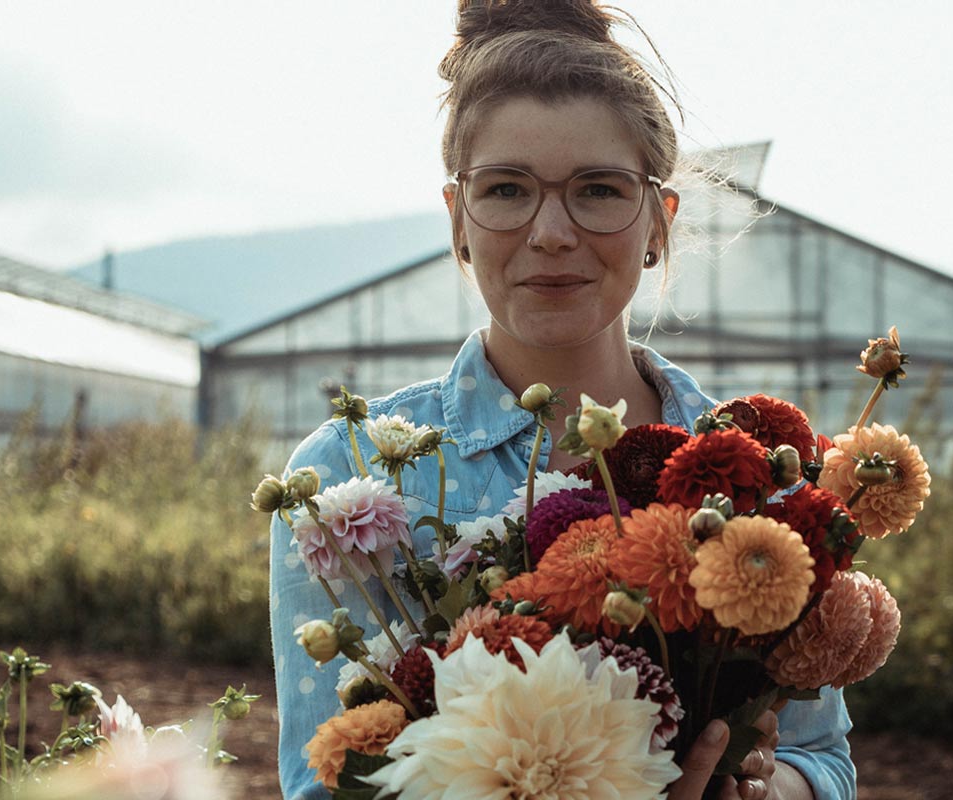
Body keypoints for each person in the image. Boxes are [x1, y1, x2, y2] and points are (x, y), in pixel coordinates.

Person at [268, 2, 857, 798]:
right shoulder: (347, 475)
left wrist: (759, 790)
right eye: (507, 189)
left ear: (658, 221)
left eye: (599, 189)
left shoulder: (750, 467)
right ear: (458, 221)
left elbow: (822, 761)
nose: (550, 231)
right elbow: (323, 781)